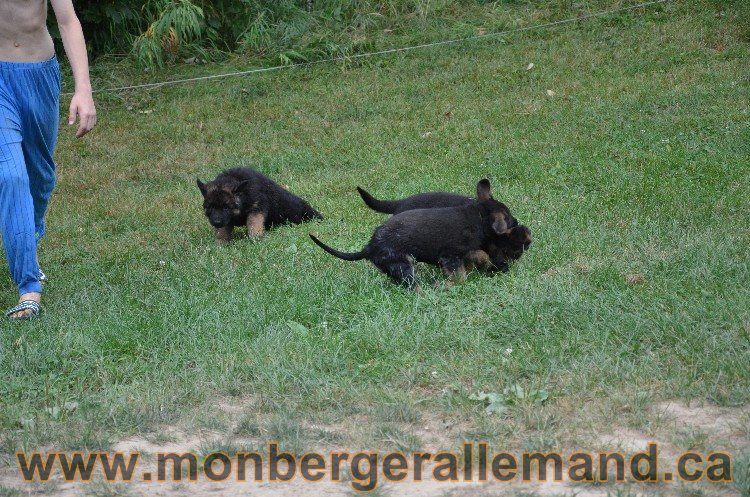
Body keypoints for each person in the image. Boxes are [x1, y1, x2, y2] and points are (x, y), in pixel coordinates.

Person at [0, 0, 96, 320]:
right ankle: (29, 288)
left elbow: (67, 22)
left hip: (38, 76)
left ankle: (30, 227)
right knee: (11, 177)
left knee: (41, 178)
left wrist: (83, 89)